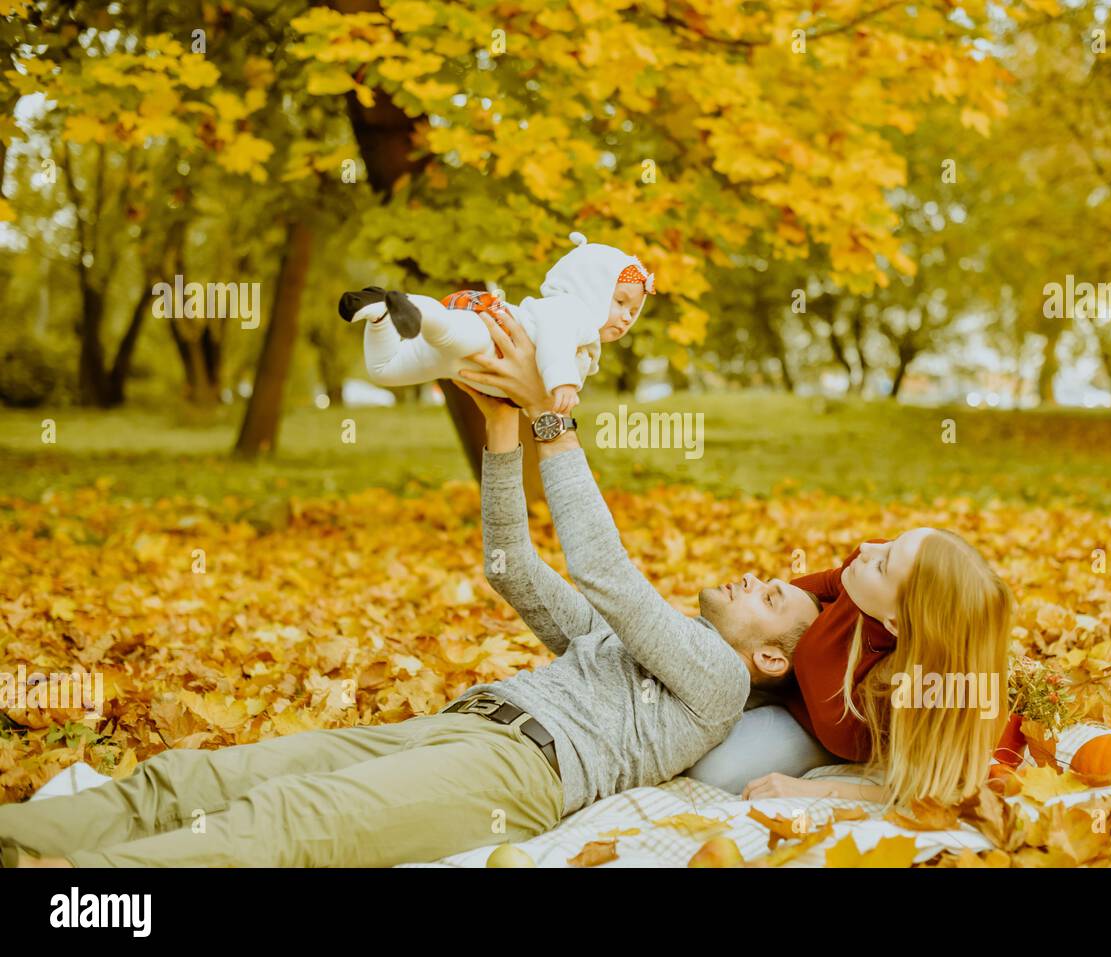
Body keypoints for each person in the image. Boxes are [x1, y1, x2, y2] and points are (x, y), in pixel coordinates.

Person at [0, 305, 818, 868]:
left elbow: (605, 571)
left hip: (515, 775)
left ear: (771, 661)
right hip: (453, 729)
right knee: (190, 781)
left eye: (772, 597)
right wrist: (502, 434)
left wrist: (549, 419)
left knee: (291, 824)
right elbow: (511, 570)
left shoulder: (713, 681)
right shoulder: (639, 648)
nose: (756, 576)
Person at [691, 539, 1015, 808]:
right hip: (779, 672)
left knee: (715, 769)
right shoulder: (864, 579)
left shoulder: (910, 692)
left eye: (882, 565)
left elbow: (936, 790)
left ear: (896, 623)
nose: (865, 548)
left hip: (813, 726)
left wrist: (819, 790)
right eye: (891, 544)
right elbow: (795, 592)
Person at [338, 231, 653, 415]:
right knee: (450, 333)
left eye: (634, 310)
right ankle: (413, 309)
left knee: (385, 371)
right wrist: (563, 382)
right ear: (591, 288)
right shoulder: (573, 311)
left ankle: (379, 314)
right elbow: (555, 339)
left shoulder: (585, 338)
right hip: (495, 333)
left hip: (467, 369)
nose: (627, 316)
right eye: (620, 301)